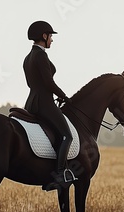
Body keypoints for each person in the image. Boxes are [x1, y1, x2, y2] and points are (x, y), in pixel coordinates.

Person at [23, 20, 77, 191]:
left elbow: (30, 83)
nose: (52, 39)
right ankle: (59, 175)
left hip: (31, 102)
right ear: (44, 36)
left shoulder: (27, 57)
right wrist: (65, 97)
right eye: (51, 36)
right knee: (67, 136)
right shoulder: (41, 55)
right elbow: (48, 82)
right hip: (44, 104)